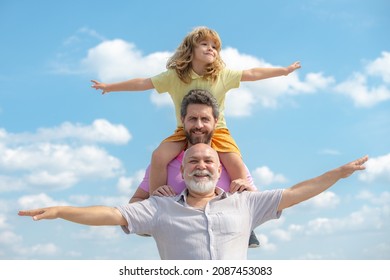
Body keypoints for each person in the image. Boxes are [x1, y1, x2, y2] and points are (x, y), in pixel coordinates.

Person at [18, 144, 368, 260]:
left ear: (220, 169)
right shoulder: (159, 207)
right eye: (193, 162)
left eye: (208, 161)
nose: (201, 165)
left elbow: (295, 193)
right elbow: (110, 214)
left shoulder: (245, 203)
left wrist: (337, 173)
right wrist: (62, 211)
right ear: (182, 171)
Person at [91, 26, 301, 195]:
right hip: (184, 131)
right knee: (158, 156)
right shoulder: (174, 76)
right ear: (190, 50)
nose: (211, 49)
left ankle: (247, 209)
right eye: (204, 44)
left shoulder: (222, 75)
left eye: (215, 46)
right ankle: (155, 205)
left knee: (236, 162)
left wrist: (283, 71)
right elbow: (142, 83)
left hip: (217, 130)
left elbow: (253, 73)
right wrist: (110, 87)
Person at [129, 88, 260, 247]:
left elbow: (259, 207)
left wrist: (251, 194)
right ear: (182, 119)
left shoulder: (231, 162)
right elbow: (133, 207)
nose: (199, 125)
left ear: (215, 121)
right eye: (192, 118)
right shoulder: (164, 164)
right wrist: (152, 206)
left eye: (205, 119)